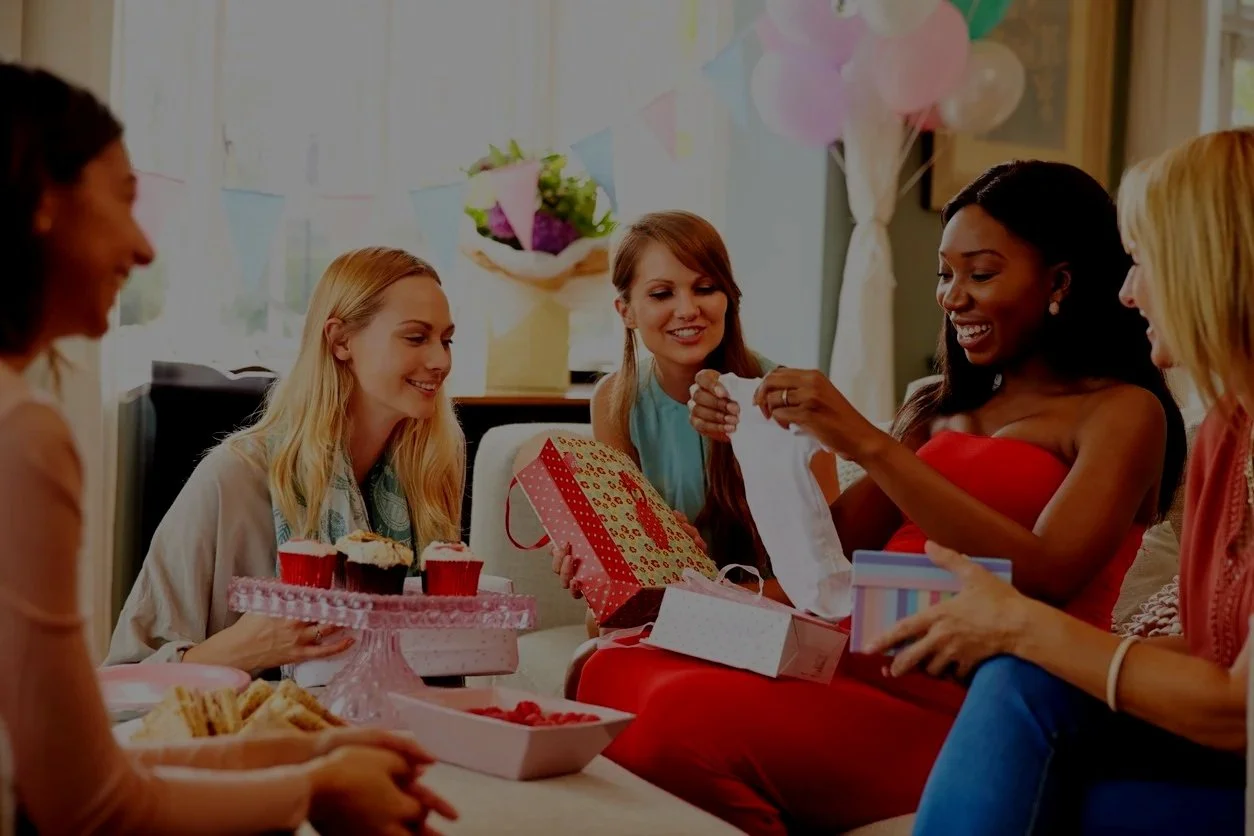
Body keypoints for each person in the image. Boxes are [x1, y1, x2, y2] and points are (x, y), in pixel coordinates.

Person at [574, 161, 1188, 834]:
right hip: (846, 656)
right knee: (606, 670)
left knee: (673, 720)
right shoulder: (936, 407)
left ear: (1059, 282)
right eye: (945, 274)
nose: (953, 297)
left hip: (972, 702)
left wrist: (870, 444)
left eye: (980, 274)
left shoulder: (1123, 414)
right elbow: (827, 556)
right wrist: (752, 444)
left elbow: (1047, 573)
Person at [0, 61, 455, 834]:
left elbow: (66, 767)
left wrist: (316, 765)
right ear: (45, 203)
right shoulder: (34, 434)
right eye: (123, 199)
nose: (146, 246)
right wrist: (309, 783)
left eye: (447, 340)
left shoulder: (427, 479)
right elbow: (87, 789)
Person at [888, 129, 1254, 836]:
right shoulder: (1225, 438)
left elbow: (1238, 707)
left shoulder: (1125, 413)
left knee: (1026, 696)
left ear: (1208, 268)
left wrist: (1023, 625)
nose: (1125, 292)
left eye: (1143, 263)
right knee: (1021, 691)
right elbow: (1209, 654)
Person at [106, 245, 464, 673]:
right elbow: (126, 681)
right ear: (340, 341)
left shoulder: (429, 474)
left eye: (446, 340)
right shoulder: (234, 477)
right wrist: (245, 649)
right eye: (416, 337)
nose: (440, 361)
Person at [548, 210, 839, 618]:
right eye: (661, 294)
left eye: (704, 288)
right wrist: (597, 559)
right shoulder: (615, 399)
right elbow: (628, 566)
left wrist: (706, 597)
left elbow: (831, 573)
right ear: (625, 311)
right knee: (593, 646)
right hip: (674, 611)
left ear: (728, 298)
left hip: (772, 612)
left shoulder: (786, 395)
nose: (687, 309)